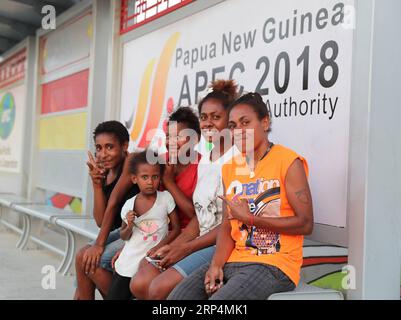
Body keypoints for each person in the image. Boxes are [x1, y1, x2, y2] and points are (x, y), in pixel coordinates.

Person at [168, 92, 314, 300]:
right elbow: (228, 225)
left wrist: (252, 219)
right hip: (234, 259)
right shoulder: (231, 168)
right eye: (234, 125)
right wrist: (216, 265)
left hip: (275, 263)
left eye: (246, 123)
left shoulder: (288, 161)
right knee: (177, 299)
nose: (238, 131)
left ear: (265, 123)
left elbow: (305, 223)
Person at [130, 79, 240, 300]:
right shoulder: (207, 159)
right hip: (198, 237)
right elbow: (200, 217)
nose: (208, 124)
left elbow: (229, 226)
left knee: (156, 288)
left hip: (223, 244)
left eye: (216, 117)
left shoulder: (237, 160)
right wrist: (175, 244)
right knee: (140, 278)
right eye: (204, 118)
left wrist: (185, 248)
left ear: (230, 122)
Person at [81, 107, 200, 298]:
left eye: (179, 137)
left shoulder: (200, 167)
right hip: (146, 231)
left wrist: (168, 182)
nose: (171, 143)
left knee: (99, 262)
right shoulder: (158, 162)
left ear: (194, 140)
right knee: (85, 258)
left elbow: (196, 216)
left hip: (177, 236)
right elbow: (113, 205)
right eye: (168, 137)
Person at [74, 121, 139, 300]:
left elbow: (114, 201)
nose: (103, 154)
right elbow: (101, 220)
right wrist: (97, 184)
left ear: (124, 145)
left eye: (109, 147)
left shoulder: (132, 162)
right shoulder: (104, 172)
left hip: (137, 231)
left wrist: (99, 245)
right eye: (99, 148)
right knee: (83, 261)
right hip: (117, 233)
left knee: (87, 260)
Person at [105, 151, 180, 300]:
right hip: (128, 259)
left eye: (155, 177)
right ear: (134, 179)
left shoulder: (165, 198)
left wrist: (159, 247)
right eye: (144, 177)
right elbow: (123, 235)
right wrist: (130, 224)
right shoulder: (129, 205)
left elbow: (176, 229)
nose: (150, 182)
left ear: (160, 178)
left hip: (149, 260)